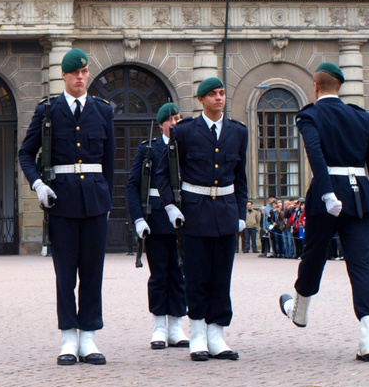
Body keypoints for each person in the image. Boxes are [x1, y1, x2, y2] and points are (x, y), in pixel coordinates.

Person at [278, 62, 369, 362]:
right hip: (359, 196)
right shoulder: (360, 116)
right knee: (361, 265)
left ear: (315, 87)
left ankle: (300, 311)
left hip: (326, 194)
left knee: (314, 255)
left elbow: (314, 152)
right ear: (339, 86)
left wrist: (327, 192)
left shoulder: (310, 114)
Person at [18, 47, 115, 366]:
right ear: (64, 75)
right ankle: (68, 336)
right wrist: (38, 185)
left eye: (85, 72)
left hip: (95, 201)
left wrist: (107, 200)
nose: (80, 77)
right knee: (65, 274)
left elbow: (109, 162)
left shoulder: (103, 110)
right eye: (75, 73)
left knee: (92, 272)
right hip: (61, 200)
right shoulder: (48, 111)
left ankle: (89, 336)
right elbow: (25, 154)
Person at [153, 76, 248, 362]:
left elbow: (240, 177)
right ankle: (197, 334)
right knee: (196, 275)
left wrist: (241, 213)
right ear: (201, 100)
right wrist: (170, 205)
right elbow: (162, 172)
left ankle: (217, 334)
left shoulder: (237, 132)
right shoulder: (184, 132)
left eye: (222, 93)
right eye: (213, 94)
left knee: (222, 275)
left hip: (226, 211)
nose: (219, 98)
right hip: (195, 211)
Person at [126, 102, 189, 351]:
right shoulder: (148, 150)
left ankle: (176, 325)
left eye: (178, 119)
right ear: (162, 123)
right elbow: (132, 185)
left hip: (183, 217)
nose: (175, 124)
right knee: (160, 274)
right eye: (171, 119)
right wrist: (139, 218)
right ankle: (159, 326)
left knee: (179, 274)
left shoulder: (187, 146)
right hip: (156, 218)